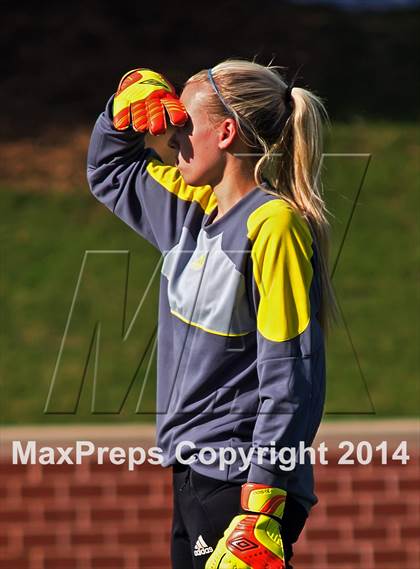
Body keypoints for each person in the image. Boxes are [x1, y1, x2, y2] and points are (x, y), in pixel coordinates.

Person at [87, 60, 338, 569]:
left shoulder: (274, 224)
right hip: (193, 473)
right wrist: (120, 113)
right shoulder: (190, 207)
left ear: (224, 133)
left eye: (185, 124)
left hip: (243, 486)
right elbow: (108, 172)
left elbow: (292, 374)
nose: (172, 135)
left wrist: (261, 507)